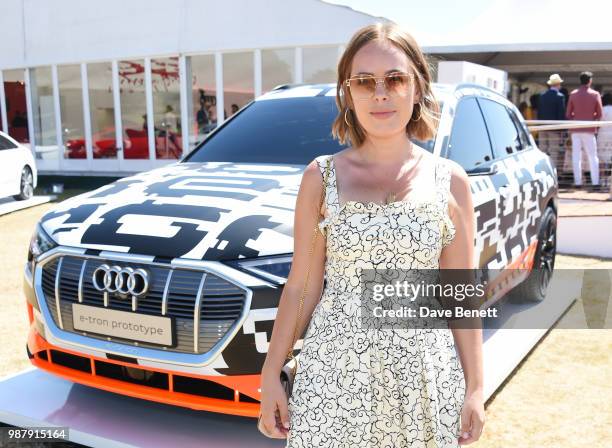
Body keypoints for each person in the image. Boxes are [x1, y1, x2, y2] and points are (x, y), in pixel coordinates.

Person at [259, 22, 484, 447]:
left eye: (395, 79)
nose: (380, 93)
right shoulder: (320, 177)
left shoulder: (450, 182)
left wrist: (475, 388)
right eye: (364, 82)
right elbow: (300, 289)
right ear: (348, 94)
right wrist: (271, 374)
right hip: (335, 375)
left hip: (424, 376)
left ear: (417, 87)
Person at [566, 71, 603, 189]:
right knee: (593, 157)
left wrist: (576, 117)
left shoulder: (573, 94)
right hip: (589, 129)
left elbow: (568, 114)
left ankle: (578, 183)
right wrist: (591, 117)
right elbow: (599, 114)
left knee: (576, 156)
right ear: (590, 81)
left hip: (575, 129)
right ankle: (595, 183)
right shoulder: (595, 94)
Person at [537, 74, 566, 173]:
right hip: (554, 128)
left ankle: (542, 171)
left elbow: (539, 112)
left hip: (542, 127)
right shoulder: (560, 97)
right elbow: (561, 114)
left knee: (542, 150)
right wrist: (562, 129)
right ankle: (553, 172)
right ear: (557, 84)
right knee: (554, 151)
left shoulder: (542, 96)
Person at [596, 92, 612, 193]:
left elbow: (597, 121)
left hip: (602, 134)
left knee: (601, 158)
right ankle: (610, 182)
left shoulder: (601, 109)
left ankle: (602, 181)